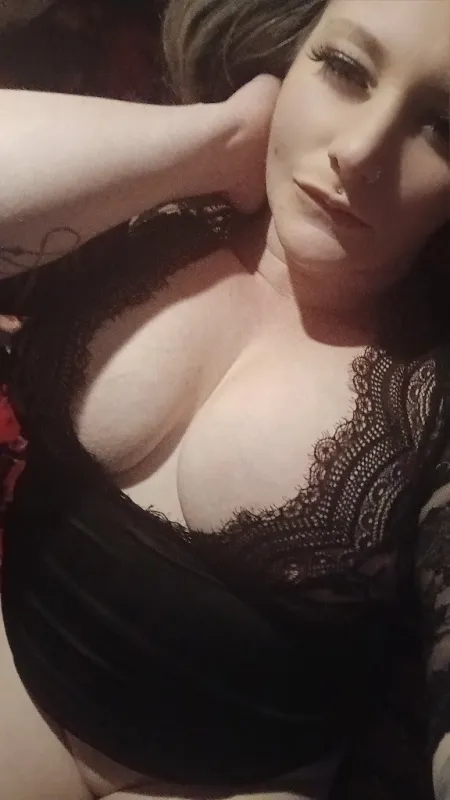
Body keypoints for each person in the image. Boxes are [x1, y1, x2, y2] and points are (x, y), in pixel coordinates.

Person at [0, 0, 449, 798]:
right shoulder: (151, 217)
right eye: (344, 69)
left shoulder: (433, 390)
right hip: (18, 682)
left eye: (444, 127)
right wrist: (224, 137)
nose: (360, 153)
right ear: (290, 54)